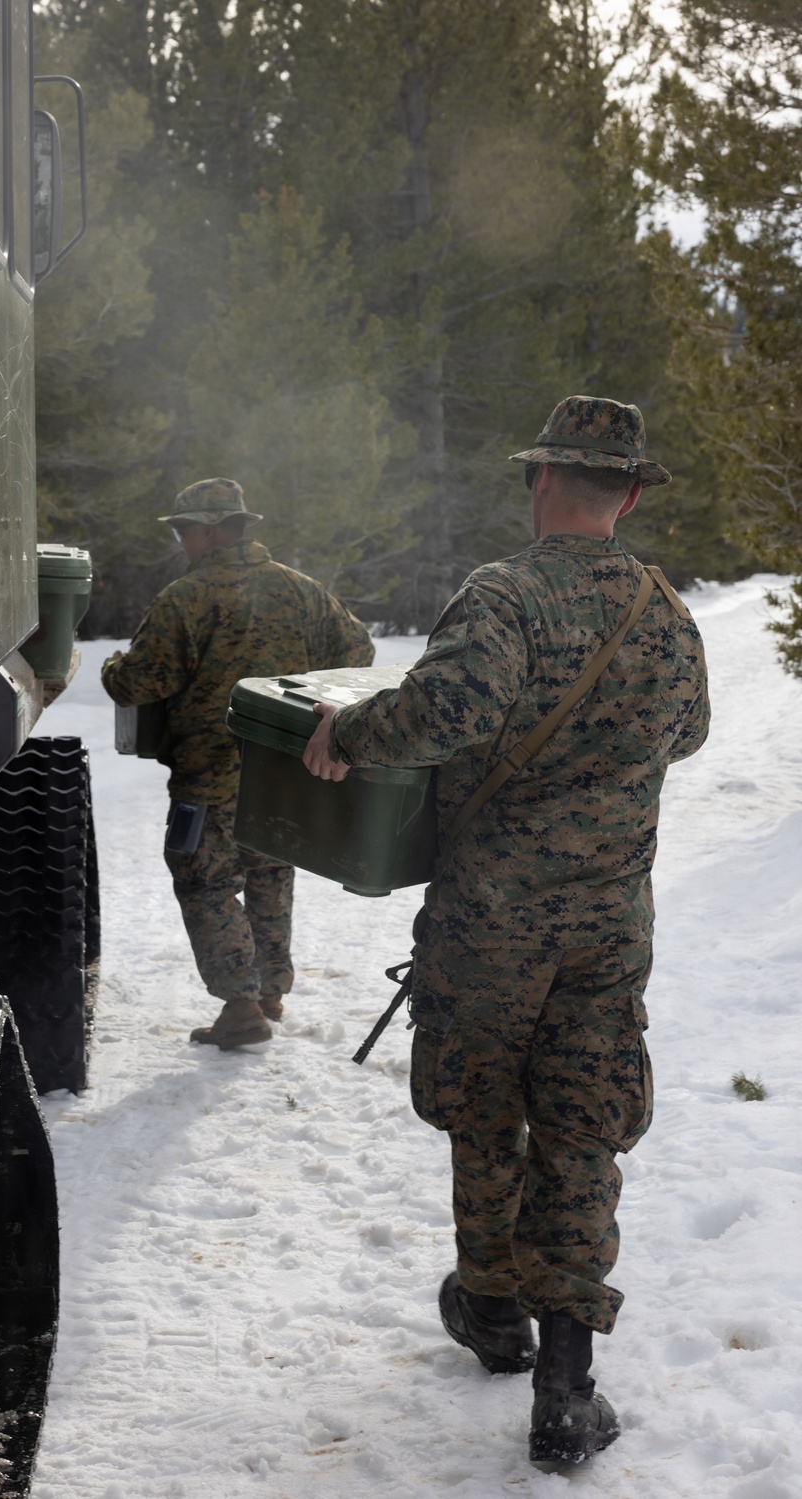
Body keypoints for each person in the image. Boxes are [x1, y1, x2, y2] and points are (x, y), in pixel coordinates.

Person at [302, 397, 710, 1465]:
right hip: (609, 926)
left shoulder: (502, 592)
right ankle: (568, 1388)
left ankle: (491, 1308)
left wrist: (348, 730)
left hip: (490, 922)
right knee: (581, 1126)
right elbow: (692, 730)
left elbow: (442, 713)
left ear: (540, 481)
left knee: (484, 1110)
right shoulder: (664, 610)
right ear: (626, 491)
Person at [102, 477, 374, 1051]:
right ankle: (269, 990)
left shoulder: (186, 598)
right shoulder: (300, 590)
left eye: (183, 531)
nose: (181, 542)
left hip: (209, 776)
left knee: (204, 881)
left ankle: (241, 1003)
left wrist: (111, 667)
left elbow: (139, 681)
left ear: (209, 528)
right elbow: (358, 652)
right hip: (284, 774)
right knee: (269, 875)